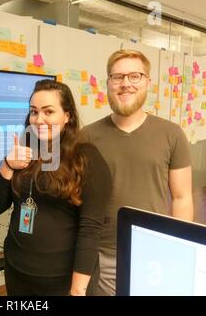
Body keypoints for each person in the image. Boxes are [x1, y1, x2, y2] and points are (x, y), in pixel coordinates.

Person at [80, 49, 194, 296]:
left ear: (147, 82)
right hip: (101, 254)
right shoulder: (87, 136)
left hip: (153, 251)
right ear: (108, 83)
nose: (125, 84)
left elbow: (182, 197)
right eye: (117, 77)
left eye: (135, 76)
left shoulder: (172, 134)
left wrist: (177, 249)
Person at [0, 79, 112, 296]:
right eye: (34, 112)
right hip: (18, 272)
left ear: (67, 116)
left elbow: (90, 230)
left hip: (62, 282)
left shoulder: (86, 158)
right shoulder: (25, 150)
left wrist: (78, 290)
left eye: (48, 112)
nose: (39, 119)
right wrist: (8, 165)